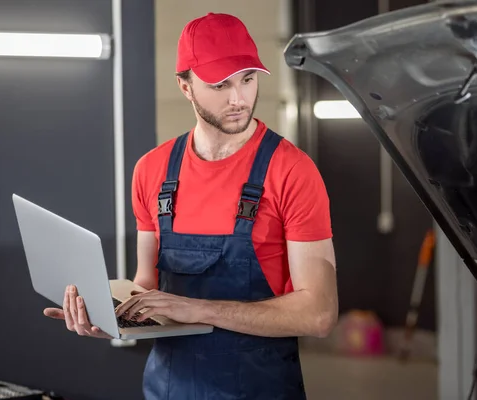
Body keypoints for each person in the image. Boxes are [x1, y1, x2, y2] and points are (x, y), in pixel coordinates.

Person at [43, 12, 338, 399]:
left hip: (258, 388)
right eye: (220, 84)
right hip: (169, 388)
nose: (238, 98)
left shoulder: (292, 171)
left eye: (248, 79)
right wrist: (111, 319)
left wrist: (199, 309)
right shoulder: (153, 171)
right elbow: (146, 285)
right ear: (185, 86)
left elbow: (318, 314)